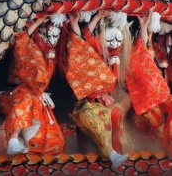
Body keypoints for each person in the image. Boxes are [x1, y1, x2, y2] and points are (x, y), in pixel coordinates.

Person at [64, 9, 171, 167]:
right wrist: (80, 22)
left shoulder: (120, 62)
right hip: (88, 106)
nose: (115, 45)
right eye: (110, 40)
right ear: (100, 40)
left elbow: (140, 55)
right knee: (109, 115)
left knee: (119, 113)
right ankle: (112, 154)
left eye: (118, 40)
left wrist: (143, 28)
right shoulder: (96, 55)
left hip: (110, 107)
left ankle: (116, 153)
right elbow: (83, 44)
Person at [0, 14, 65, 155]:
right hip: (17, 93)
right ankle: (13, 141)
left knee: (55, 142)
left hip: (37, 97)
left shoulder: (49, 58)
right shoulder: (27, 46)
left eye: (55, 37)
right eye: (48, 37)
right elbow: (21, 39)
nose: (52, 41)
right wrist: (39, 21)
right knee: (26, 98)